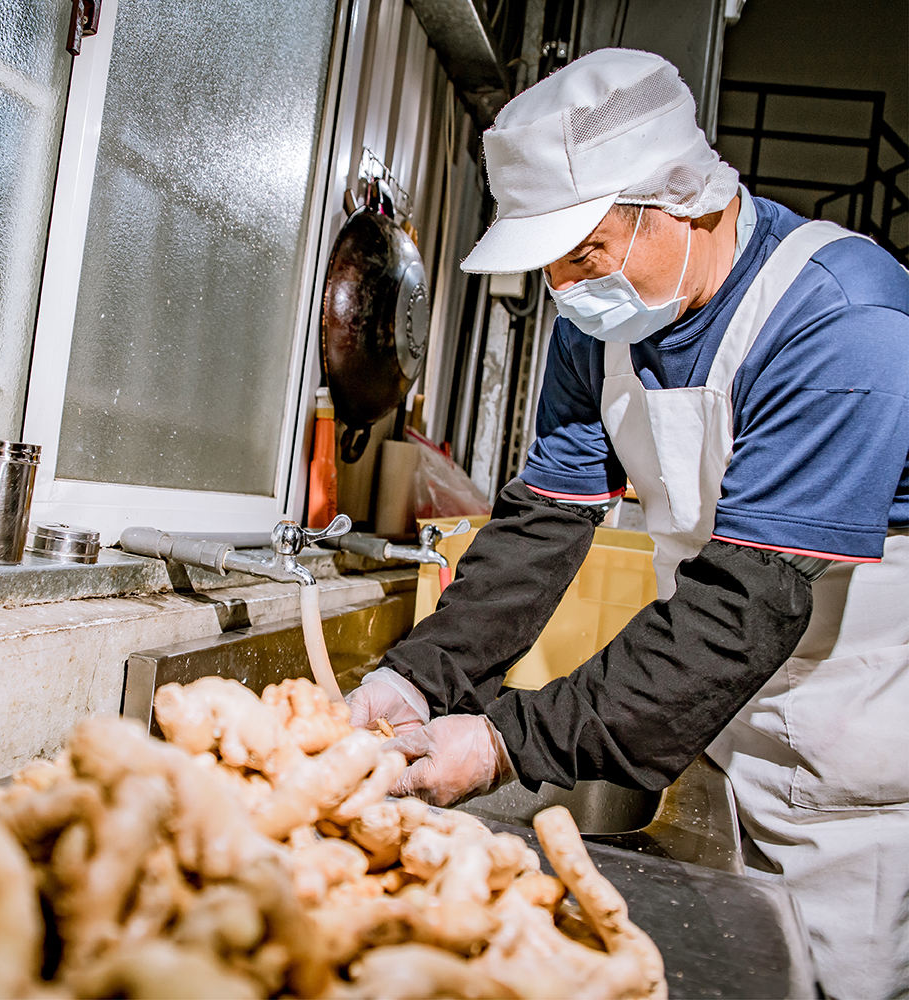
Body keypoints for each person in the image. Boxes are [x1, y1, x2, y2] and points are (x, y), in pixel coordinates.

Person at [346, 48, 908, 1000]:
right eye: (550, 265)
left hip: (853, 766)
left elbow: (749, 601)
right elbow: (539, 530)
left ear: (679, 198)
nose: (567, 289)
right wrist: (417, 676)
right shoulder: (600, 324)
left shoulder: (845, 319)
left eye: (586, 253)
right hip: (705, 721)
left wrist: (503, 742)